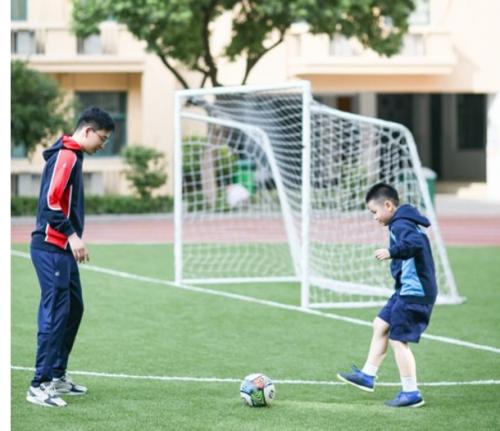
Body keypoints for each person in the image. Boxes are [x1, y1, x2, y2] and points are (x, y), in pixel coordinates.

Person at [27, 107, 115, 407]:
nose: (102, 145)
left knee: (74, 308)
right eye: (101, 138)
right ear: (87, 131)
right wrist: (73, 236)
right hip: (51, 246)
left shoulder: (73, 155)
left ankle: (56, 376)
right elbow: (51, 203)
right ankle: (39, 385)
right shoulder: (66, 155)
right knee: (55, 314)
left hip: (61, 248)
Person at [337, 183, 437, 408]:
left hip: (415, 292)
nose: (374, 217)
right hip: (405, 290)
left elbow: (415, 243)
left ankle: (411, 393)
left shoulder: (401, 224)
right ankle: (367, 375)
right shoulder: (401, 221)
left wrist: (391, 252)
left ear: (388, 205)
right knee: (380, 323)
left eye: (374, 212)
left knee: (398, 340)